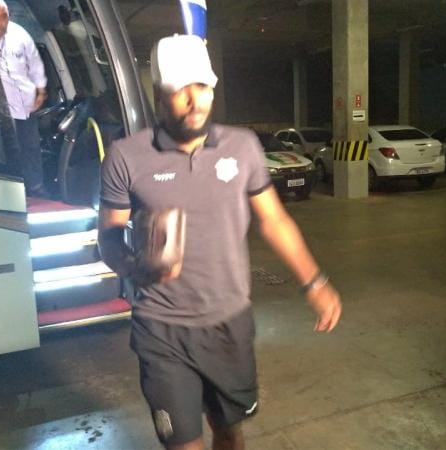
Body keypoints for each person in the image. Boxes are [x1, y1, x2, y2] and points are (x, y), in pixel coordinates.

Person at [97, 34, 342, 450]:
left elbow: (274, 220)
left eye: (203, 87)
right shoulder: (125, 156)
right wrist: (137, 267)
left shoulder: (242, 146)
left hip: (229, 323)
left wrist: (314, 282)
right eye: (181, 89)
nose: (195, 101)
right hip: (161, 328)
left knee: (228, 431)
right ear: (159, 93)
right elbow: (108, 238)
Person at [0, 0, 48, 197]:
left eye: (4, 16)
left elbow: (35, 63)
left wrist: (41, 90)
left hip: (24, 103)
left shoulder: (19, 34)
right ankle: (7, 191)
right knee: (3, 149)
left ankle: (35, 187)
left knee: (30, 146)